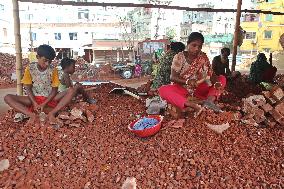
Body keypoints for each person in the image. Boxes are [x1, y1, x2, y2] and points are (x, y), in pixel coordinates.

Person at [159, 32, 227, 113]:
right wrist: (188, 81)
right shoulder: (179, 57)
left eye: (200, 46)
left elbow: (211, 77)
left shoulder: (203, 57)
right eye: (194, 45)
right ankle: (193, 105)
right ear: (188, 44)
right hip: (183, 90)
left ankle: (209, 102)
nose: (197, 49)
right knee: (163, 90)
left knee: (222, 78)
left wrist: (218, 85)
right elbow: (173, 77)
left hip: (199, 89)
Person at [4, 45, 62, 125]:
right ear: (37, 56)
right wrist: (34, 102)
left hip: (48, 99)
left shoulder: (53, 70)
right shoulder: (30, 68)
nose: (47, 64)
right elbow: (28, 88)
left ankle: (43, 110)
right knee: (7, 97)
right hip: (33, 99)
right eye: (45, 60)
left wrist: (43, 103)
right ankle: (31, 115)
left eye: (50, 61)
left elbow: (54, 90)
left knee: (69, 92)